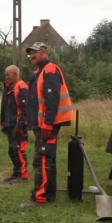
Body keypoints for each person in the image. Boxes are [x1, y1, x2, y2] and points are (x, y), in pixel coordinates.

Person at [22, 43, 73, 206]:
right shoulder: (38, 72)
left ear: (45, 53)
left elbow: (52, 100)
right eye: (30, 53)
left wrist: (47, 124)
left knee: (42, 159)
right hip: (42, 123)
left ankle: (39, 197)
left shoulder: (50, 70)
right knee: (47, 159)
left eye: (35, 52)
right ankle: (49, 195)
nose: (31, 56)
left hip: (47, 124)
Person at [0, 65, 29, 183]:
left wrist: (19, 125)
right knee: (12, 151)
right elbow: (5, 108)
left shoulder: (22, 88)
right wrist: (4, 124)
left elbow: (25, 109)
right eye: (5, 74)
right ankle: (16, 173)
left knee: (19, 150)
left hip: (19, 126)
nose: (6, 77)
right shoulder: (8, 87)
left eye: (8, 74)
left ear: (16, 74)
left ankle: (23, 176)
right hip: (10, 125)